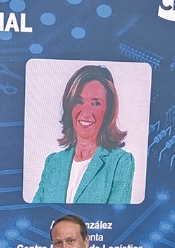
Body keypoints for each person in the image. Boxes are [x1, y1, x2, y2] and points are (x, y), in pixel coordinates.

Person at [33, 65, 135, 204]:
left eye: (96, 103)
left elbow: (116, 221)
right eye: (79, 101)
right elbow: (37, 215)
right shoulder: (53, 162)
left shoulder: (120, 162)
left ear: (108, 111)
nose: (85, 112)